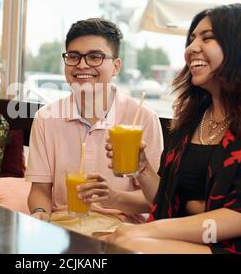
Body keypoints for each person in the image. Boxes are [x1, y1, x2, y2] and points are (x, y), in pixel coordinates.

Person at [104, 3, 241, 254]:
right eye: (190, 40)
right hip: (197, 241)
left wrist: (145, 231)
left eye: (207, 38)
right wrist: (141, 167)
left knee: (130, 244)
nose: (191, 49)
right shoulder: (192, 119)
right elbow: (167, 200)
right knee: (122, 242)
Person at [26, 18, 164, 228]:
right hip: (63, 224)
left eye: (95, 57)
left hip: (120, 228)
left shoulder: (143, 119)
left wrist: (113, 197)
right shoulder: (46, 118)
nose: (82, 64)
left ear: (116, 66)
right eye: (73, 57)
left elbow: (156, 199)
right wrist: (39, 214)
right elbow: (40, 190)